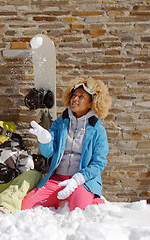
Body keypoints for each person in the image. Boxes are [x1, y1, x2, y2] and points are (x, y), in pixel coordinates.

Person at [21, 77, 112, 211]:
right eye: (74, 95)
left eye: (81, 96)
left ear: (91, 103)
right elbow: (48, 153)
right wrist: (45, 141)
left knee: (78, 209)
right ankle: (60, 198)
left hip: (83, 181)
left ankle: (95, 201)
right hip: (57, 179)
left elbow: (98, 163)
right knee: (27, 206)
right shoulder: (60, 123)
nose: (75, 99)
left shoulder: (98, 130)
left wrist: (77, 179)